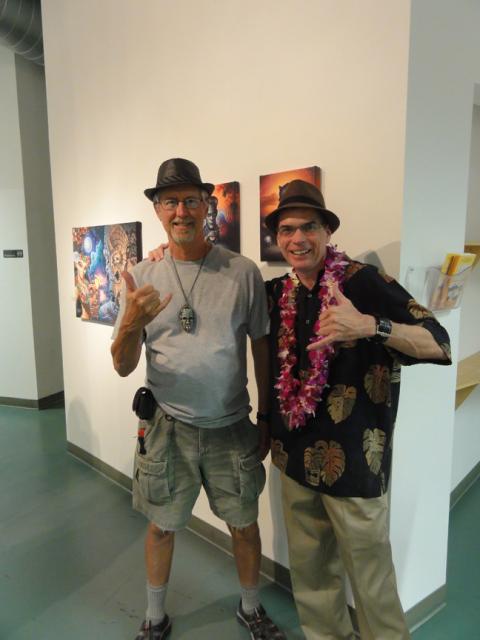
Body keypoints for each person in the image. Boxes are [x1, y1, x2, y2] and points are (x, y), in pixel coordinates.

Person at [263, 179, 452, 640]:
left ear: (327, 231)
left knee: (373, 587)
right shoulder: (279, 291)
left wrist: (372, 326)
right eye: (287, 229)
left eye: (309, 227)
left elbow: (439, 344)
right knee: (311, 579)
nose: (298, 238)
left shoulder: (363, 282)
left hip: (356, 465)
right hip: (293, 458)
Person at [111, 158, 286, 640]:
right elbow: (123, 365)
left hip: (232, 426)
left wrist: (265, 415)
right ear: (157, 209)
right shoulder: (142, 276)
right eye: (170, 201)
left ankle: (250, 609)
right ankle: (154, 617)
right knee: (161, 526)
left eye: (191, 200)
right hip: (167, 427)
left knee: (244, 525)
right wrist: (131, 323)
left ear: (207, 205)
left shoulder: (242, 272)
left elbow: (261, 344)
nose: (181, 211)